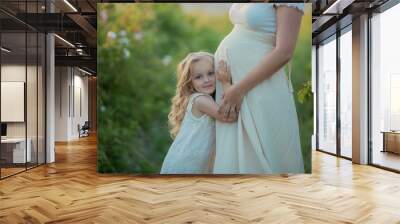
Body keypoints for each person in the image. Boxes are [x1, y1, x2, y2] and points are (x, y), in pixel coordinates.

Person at [213, 3, 306, 174]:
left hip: (258, 87)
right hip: (233, 88)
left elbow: (284, 52)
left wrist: (239, 89)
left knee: (265, 155)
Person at [160, 52, 235, 174]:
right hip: (184, 165)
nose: (206, 80)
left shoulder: (207, 99)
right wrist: (226, 83)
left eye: (210, 73)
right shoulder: (200, 100)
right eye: (198, 77)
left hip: (191, 164)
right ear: (190, 83)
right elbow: (227, 116)